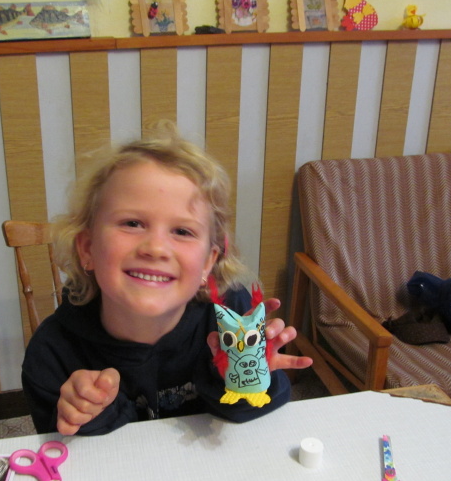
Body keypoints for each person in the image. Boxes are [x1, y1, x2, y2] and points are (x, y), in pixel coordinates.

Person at [21, 125, 312, 435]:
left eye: (182, 231)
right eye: (132, 223)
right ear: (87, 248)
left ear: (208, 262)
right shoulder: (53, 352)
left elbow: (254, 420)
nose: (156, 248)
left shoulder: (232, 318)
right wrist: (89, 412)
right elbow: (65, 451)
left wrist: (243, 378)